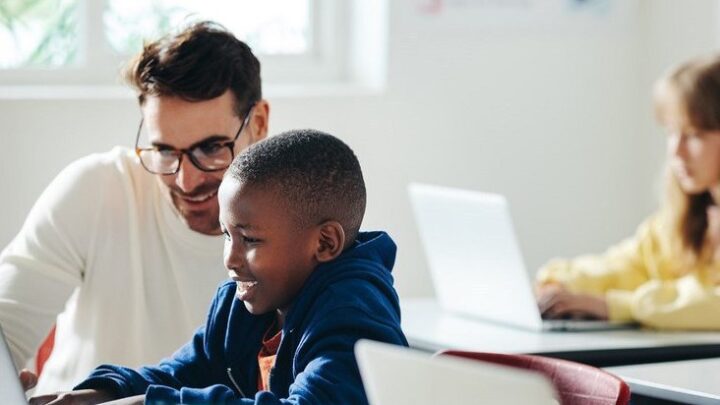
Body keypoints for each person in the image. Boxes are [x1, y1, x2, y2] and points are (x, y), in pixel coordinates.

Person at [30, 129, 408, 405]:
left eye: (251, 240)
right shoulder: (238, 307)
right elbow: (178, 374)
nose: (230, 258)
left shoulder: (354, 317)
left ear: (325, 243)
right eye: (228, 235)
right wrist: (98, 394)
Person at [0, 20, 270, 394]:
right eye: (163, 151)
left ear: (258, 123)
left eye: (210, 149)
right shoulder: (97, 190)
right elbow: (6, 328)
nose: (185, 181)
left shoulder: (301, 229)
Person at [536, 54, 720, 330]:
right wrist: (559, 282)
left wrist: (616, 306)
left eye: (693, 135)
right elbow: (628, 265)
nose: (676, 152)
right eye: (672, 132)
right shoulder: (685, 219)